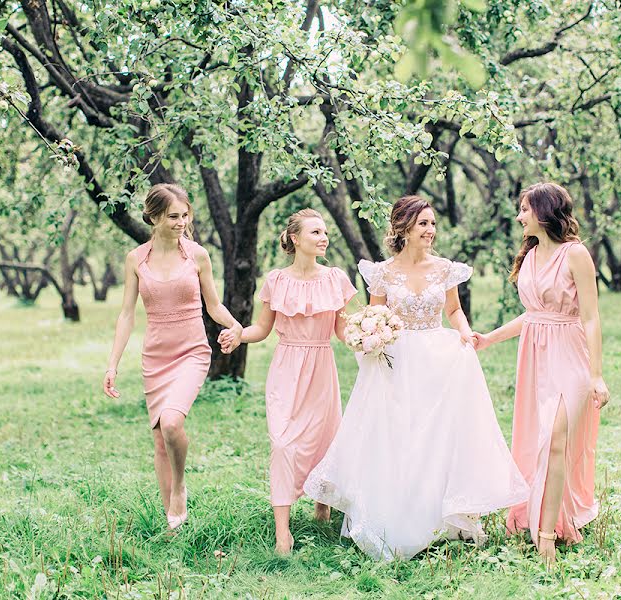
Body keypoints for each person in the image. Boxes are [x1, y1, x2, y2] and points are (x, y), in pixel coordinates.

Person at [304, 195, 528, 561]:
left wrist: (466, 332)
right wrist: (370, 335)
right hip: (394, 358)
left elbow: (454, 310)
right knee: (395, 434)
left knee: (435, 435)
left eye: (433, 223)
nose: (431, 230)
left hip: (437, 358)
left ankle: (437, 516)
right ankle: (392, 515)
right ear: (404, 227)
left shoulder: (445, 269)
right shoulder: (382, 273)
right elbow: (375, 314)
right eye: (423, 223)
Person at [474, 182, 610, 567]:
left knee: (555, 438)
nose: (519, 216)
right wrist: (489, 339)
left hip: (570, 355)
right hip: (534, 357)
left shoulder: (576, 254)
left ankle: (548, 536)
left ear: (544, 211)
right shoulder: (530, 256)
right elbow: (532, 314)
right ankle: (538, 519)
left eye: (524, 209)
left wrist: (597, 375)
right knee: (537, 440)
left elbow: (591, 316)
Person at [103, 184, 242, 530]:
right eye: (173, 216)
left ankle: (179, 486)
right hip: (155, 356)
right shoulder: (136, 259)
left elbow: (213, 305)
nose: (182, 222)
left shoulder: (196, 255)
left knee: (171, 423)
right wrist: (112, 364)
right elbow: (126, 315)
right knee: (160, 442)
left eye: (185, 215)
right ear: (153, 217)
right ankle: (172, 526)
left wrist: (237, 327)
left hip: (192, 352)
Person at [221, 209, 357, 554]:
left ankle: (322, 505)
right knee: (283, 444)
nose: (324, 237)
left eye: (325, 232)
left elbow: (343, 331)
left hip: (322, 366)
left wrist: (369, 337)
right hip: (286, 367)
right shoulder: (277, 281)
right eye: (315, 232)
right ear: (295, 239)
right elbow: (262, 329)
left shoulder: (336, 279)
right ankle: (283, 532)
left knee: (325, 438)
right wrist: (239, 335)